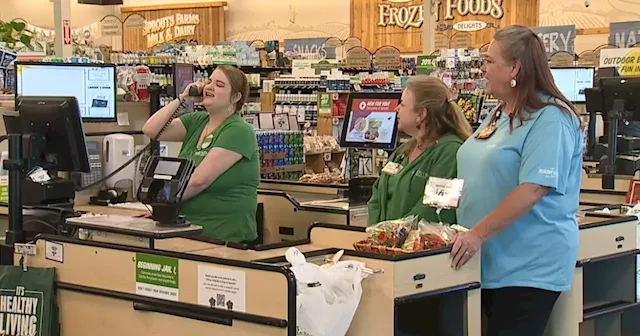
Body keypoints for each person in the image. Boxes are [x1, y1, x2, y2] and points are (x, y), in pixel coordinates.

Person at [451, 25, 583, 336]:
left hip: (528, 266)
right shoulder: (499, 113)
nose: (482, 68)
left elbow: (533, 188)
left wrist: (478, 234)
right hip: (489, 262)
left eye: (489, 61)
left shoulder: (552, 118)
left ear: (515, 68)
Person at [142, 65, 259, 243]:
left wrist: (163, 205)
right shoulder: (196, 121)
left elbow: (199, 180)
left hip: (222, 237)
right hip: (186, 230)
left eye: (219, 84)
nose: (209, 87)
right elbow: (151, 129)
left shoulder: (238, 130)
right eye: (209, 81)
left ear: (235, 97)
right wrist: (183, 98)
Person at [367, 76, 472, 226]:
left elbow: (436, 208)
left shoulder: (450, 152)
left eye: (402, 104)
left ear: (421, 114)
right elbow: (377, 194)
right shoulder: (403, 151)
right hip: (381, 244)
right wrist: (375, 232)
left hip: (417, 246)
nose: (396, 109)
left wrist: (395, 233)